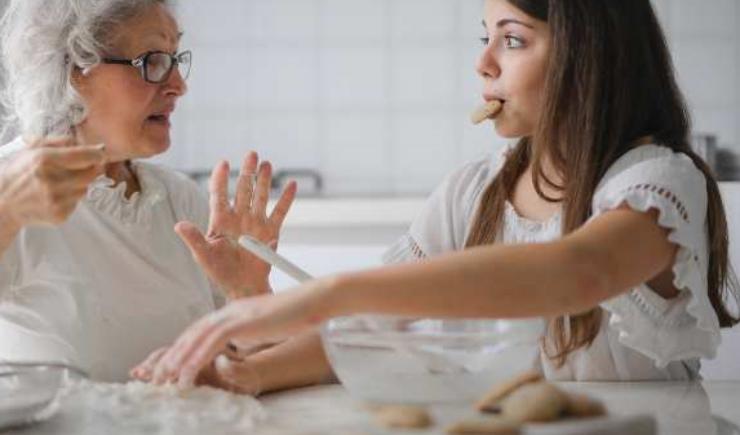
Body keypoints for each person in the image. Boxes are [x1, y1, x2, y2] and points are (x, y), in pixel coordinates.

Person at [136, 0, 739, 391]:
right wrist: (249, 365)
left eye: (513, 39)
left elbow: (579, 271)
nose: (482, 63)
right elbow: (377, 328)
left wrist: (332, 290)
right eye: (486, 37)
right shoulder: (473, 192)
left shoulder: (659, 183)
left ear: (588, 56)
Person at [0, 0, 295, 381]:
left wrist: (248, 292)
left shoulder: (180, 200)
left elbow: (246, 368)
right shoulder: (11, 184)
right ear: (74, 68)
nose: (179, 85)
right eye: (153, 62)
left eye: (175, 59)